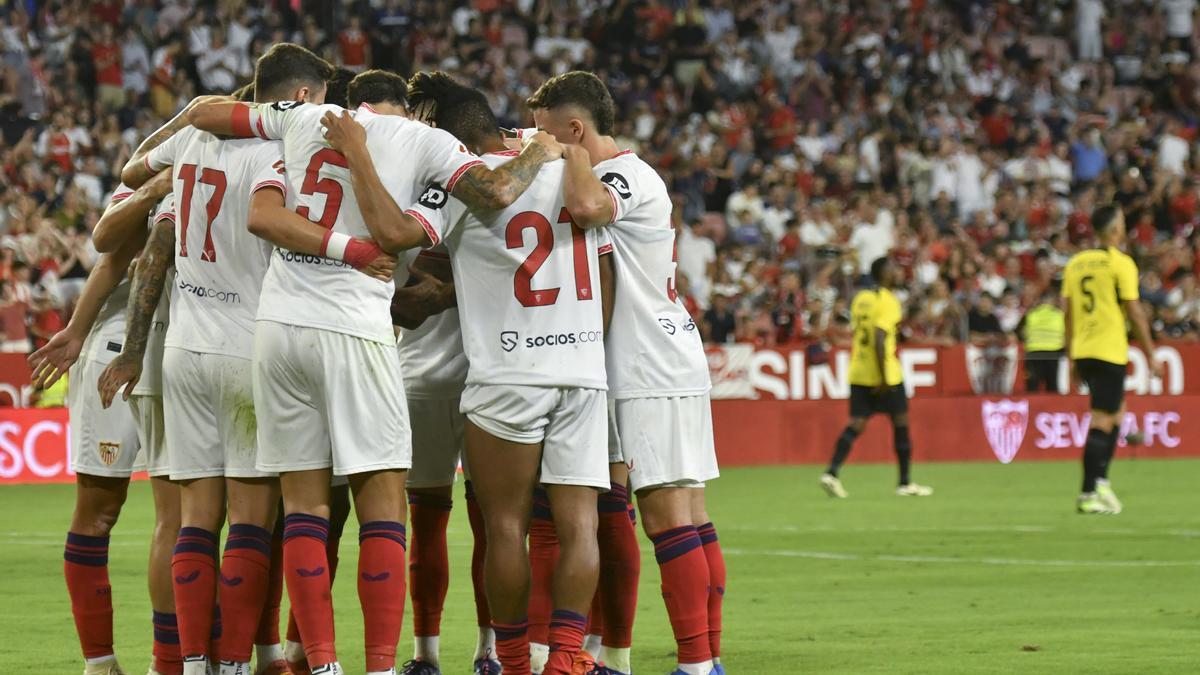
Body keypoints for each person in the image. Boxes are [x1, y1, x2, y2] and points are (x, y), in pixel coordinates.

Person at [186, 65, 562, 675]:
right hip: (354, 329)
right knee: (384, 505)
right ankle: (384, 666)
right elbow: (493, 193)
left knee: (306, 509)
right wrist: (541, 151)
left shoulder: (306, 120)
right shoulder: (431, 145)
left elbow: (207, 113)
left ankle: (323, 664)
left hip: (277, 328)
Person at [99, 49, 379, 675]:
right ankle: (233, 663)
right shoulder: (282, 155)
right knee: (253, 522)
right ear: (303, 99)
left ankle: (193, 662)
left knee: (196, 518)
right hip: (248, 347)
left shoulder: (192, 143)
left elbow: (134, 187)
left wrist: (189, 118)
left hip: (183, 352)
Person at [391, 70, 611, 675]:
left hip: (509, 373)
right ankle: (566, 658)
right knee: (579, 527)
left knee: (505, 525)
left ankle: (512, 660)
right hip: (583, 369)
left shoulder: (461, 182)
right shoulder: (567, 165)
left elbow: (409, 270)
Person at [528, 71, 724, 675]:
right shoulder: (639, 175)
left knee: (668, 515)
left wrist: (561, 158)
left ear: (576, 129)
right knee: (690, 514)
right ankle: (706, 659)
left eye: (548, 134)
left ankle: (696, 666)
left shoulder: (622, 176)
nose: (542, 146)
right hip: (668, 354)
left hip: (648, 366)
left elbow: (586, 207)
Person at [28, 173, 178, 675]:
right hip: (116, 349)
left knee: (182, 518)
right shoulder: (159, 166)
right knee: (100, 512)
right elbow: (109, 249)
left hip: (183, 354)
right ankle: (100, 662)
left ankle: (171, 663)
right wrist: (75, 330)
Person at [1062, 205, 1160, 514]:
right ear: (1116, 230)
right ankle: (1088, 492)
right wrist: (1151, 353)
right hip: (1109, 349)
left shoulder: (1075, 264)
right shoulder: (1121, 264)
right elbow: (1135, 312)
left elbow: (1068, 313)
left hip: (1084, 348)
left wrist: (1071, 356)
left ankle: (1101, 480)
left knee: (1117, 413)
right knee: (1103, 419)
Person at [820, 257, 933, 499]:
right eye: (893, 268)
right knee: (900, 422)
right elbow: (880, 337)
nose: (898, 272)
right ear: (884, 274)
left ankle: (831, 472)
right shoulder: (888, 301)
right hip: (885, 374)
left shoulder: (861, 298)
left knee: (857, 424)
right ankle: (904, 482)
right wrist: (882, 377)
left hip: (858, 370)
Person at [1021, 288, 1066, 393]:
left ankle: (1032, 408)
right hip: (1053, 352)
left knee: (1032, 386)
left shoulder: (1031, 314)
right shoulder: (1059, 315)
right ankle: (1052, 409)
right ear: (1053, 300)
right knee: (1052, 385)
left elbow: (1021, 332)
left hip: (1034, 352)